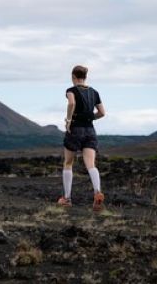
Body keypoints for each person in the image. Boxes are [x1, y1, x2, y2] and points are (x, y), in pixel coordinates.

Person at [57, 65, 106, 212]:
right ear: (85, 77)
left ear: (73, 76)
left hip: (75, 129)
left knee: (68, 163)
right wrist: (90, 117)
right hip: (90, 130)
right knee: (91, 164)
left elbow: (71, 103)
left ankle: (67, 198)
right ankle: (97, 192)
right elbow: (102, 113)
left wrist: (69, 120)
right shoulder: (94, 92)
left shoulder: (71, 91)